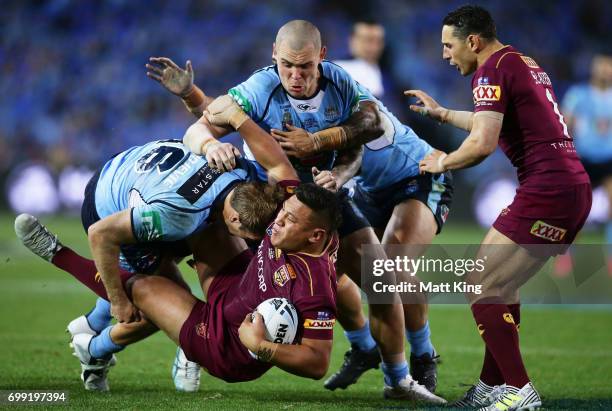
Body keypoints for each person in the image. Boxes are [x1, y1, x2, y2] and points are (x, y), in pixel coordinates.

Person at [147, 20, 447, 404]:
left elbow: (365, 132)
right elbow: (201, 128)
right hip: (269, 200)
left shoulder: (340, 84)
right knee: (222, 273)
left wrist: (335, 170)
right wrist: (208, 144)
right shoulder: (261, 87)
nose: (295, 75)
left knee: (382, 280)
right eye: (287, 64)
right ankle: (156, 340)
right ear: (274, 54)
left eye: (304, 66)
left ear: (321, 58)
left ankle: (398, 379)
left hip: (323, 200)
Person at [14, 95, 300, 392]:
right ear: (236, 221)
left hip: (140, 167)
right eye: (249, 236)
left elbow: (212, 133)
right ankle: (61, 261)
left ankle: (92, 322)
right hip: (107, 203)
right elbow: (102, 234)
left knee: (185, 286)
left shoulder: (239, 169)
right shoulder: (179, 215)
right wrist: (117, 301)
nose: (252, 243)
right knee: (154, 307)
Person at [405, 5, 592, 410]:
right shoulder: (520, 61)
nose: (444, 54)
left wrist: (443, 161)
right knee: (499, 286)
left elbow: (484, 142)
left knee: (480, 283)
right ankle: (494, 385)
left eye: (448, 45)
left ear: (472, 41)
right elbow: (490, 121)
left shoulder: (490, 71)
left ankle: (521, 391)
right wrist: (441, 114)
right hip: (567, 187)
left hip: (549, 189)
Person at [15, 183, 342, 384]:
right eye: (282, 212)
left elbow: (317, 362)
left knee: (145, 288)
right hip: (236, 283)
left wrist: (260, 346)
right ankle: (103, 329)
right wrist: (198, 105)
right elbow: (265, 150)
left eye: (289, 220)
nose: (277, 222)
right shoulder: (294, 216)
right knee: (213, 220)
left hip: (225, 341)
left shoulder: (314, 288)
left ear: (315, 236)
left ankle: (61, 262)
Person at [561, 54, 612, 275]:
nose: (605, 70)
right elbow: (564, 123)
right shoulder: (578, 94)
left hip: (609, 159)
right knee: (577, 211)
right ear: (593, 67)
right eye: (602, 65)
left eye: (609, 66)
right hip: (583, 159)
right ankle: (567, 255)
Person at [335, 20, 386, 98]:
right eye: (367, 40)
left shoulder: (388, 73)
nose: (373, 47)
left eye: (378, 41)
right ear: (352, 40)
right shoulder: (337, 70)